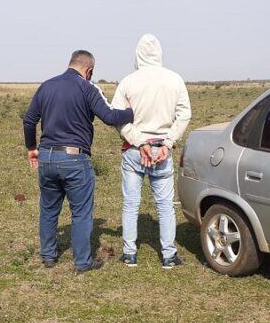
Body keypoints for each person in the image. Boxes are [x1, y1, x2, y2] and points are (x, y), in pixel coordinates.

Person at [23, 50, 134, 273]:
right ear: (89, 70)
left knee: (48, 209)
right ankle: (83, 262)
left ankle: (48, 256)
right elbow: (111, 117)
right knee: (81, 212)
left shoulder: (46, 86)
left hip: (47, 157)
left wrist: (32, 148)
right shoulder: (87, 88)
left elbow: (29, 119)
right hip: (75, 158)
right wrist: (131, 112)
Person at [110, 34, 192, 269]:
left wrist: (140, 142)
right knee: (165, 205)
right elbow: (184, 114)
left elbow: (118, 118)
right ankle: (168, 255)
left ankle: (129, 254)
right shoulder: (175, 79)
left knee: (131, 203)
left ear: (137, 55)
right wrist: (167, 143)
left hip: (134, 151)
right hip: (162, 151)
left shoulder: (127, 82)